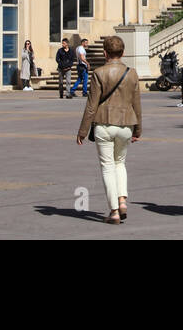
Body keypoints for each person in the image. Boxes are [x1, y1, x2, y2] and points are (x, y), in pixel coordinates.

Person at [76, 35, 141, 224]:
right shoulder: (132, 73)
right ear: (123, 53)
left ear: (105, 53)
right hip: (126, 124)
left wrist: (82, 131)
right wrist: (138, 129)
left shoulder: (98, 73)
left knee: (107, 166)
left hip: (103, 124)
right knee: (120, 162)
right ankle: (122, 201)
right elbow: (137, 104)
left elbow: (91, 106)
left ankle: (113, 211)